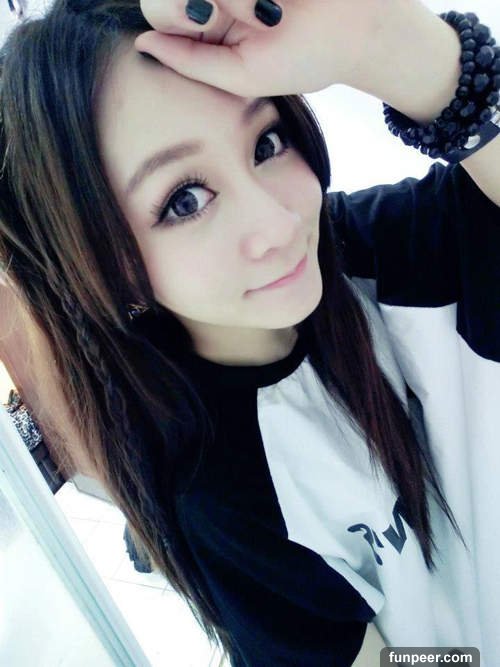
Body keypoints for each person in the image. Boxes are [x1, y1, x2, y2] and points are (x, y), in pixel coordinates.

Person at [0, 0, 499, 665]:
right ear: (107, 270)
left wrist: (380, 40)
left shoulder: (389, 252)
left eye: (265, 143)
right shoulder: (223, 492)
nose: (279, 223)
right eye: (185, 200)